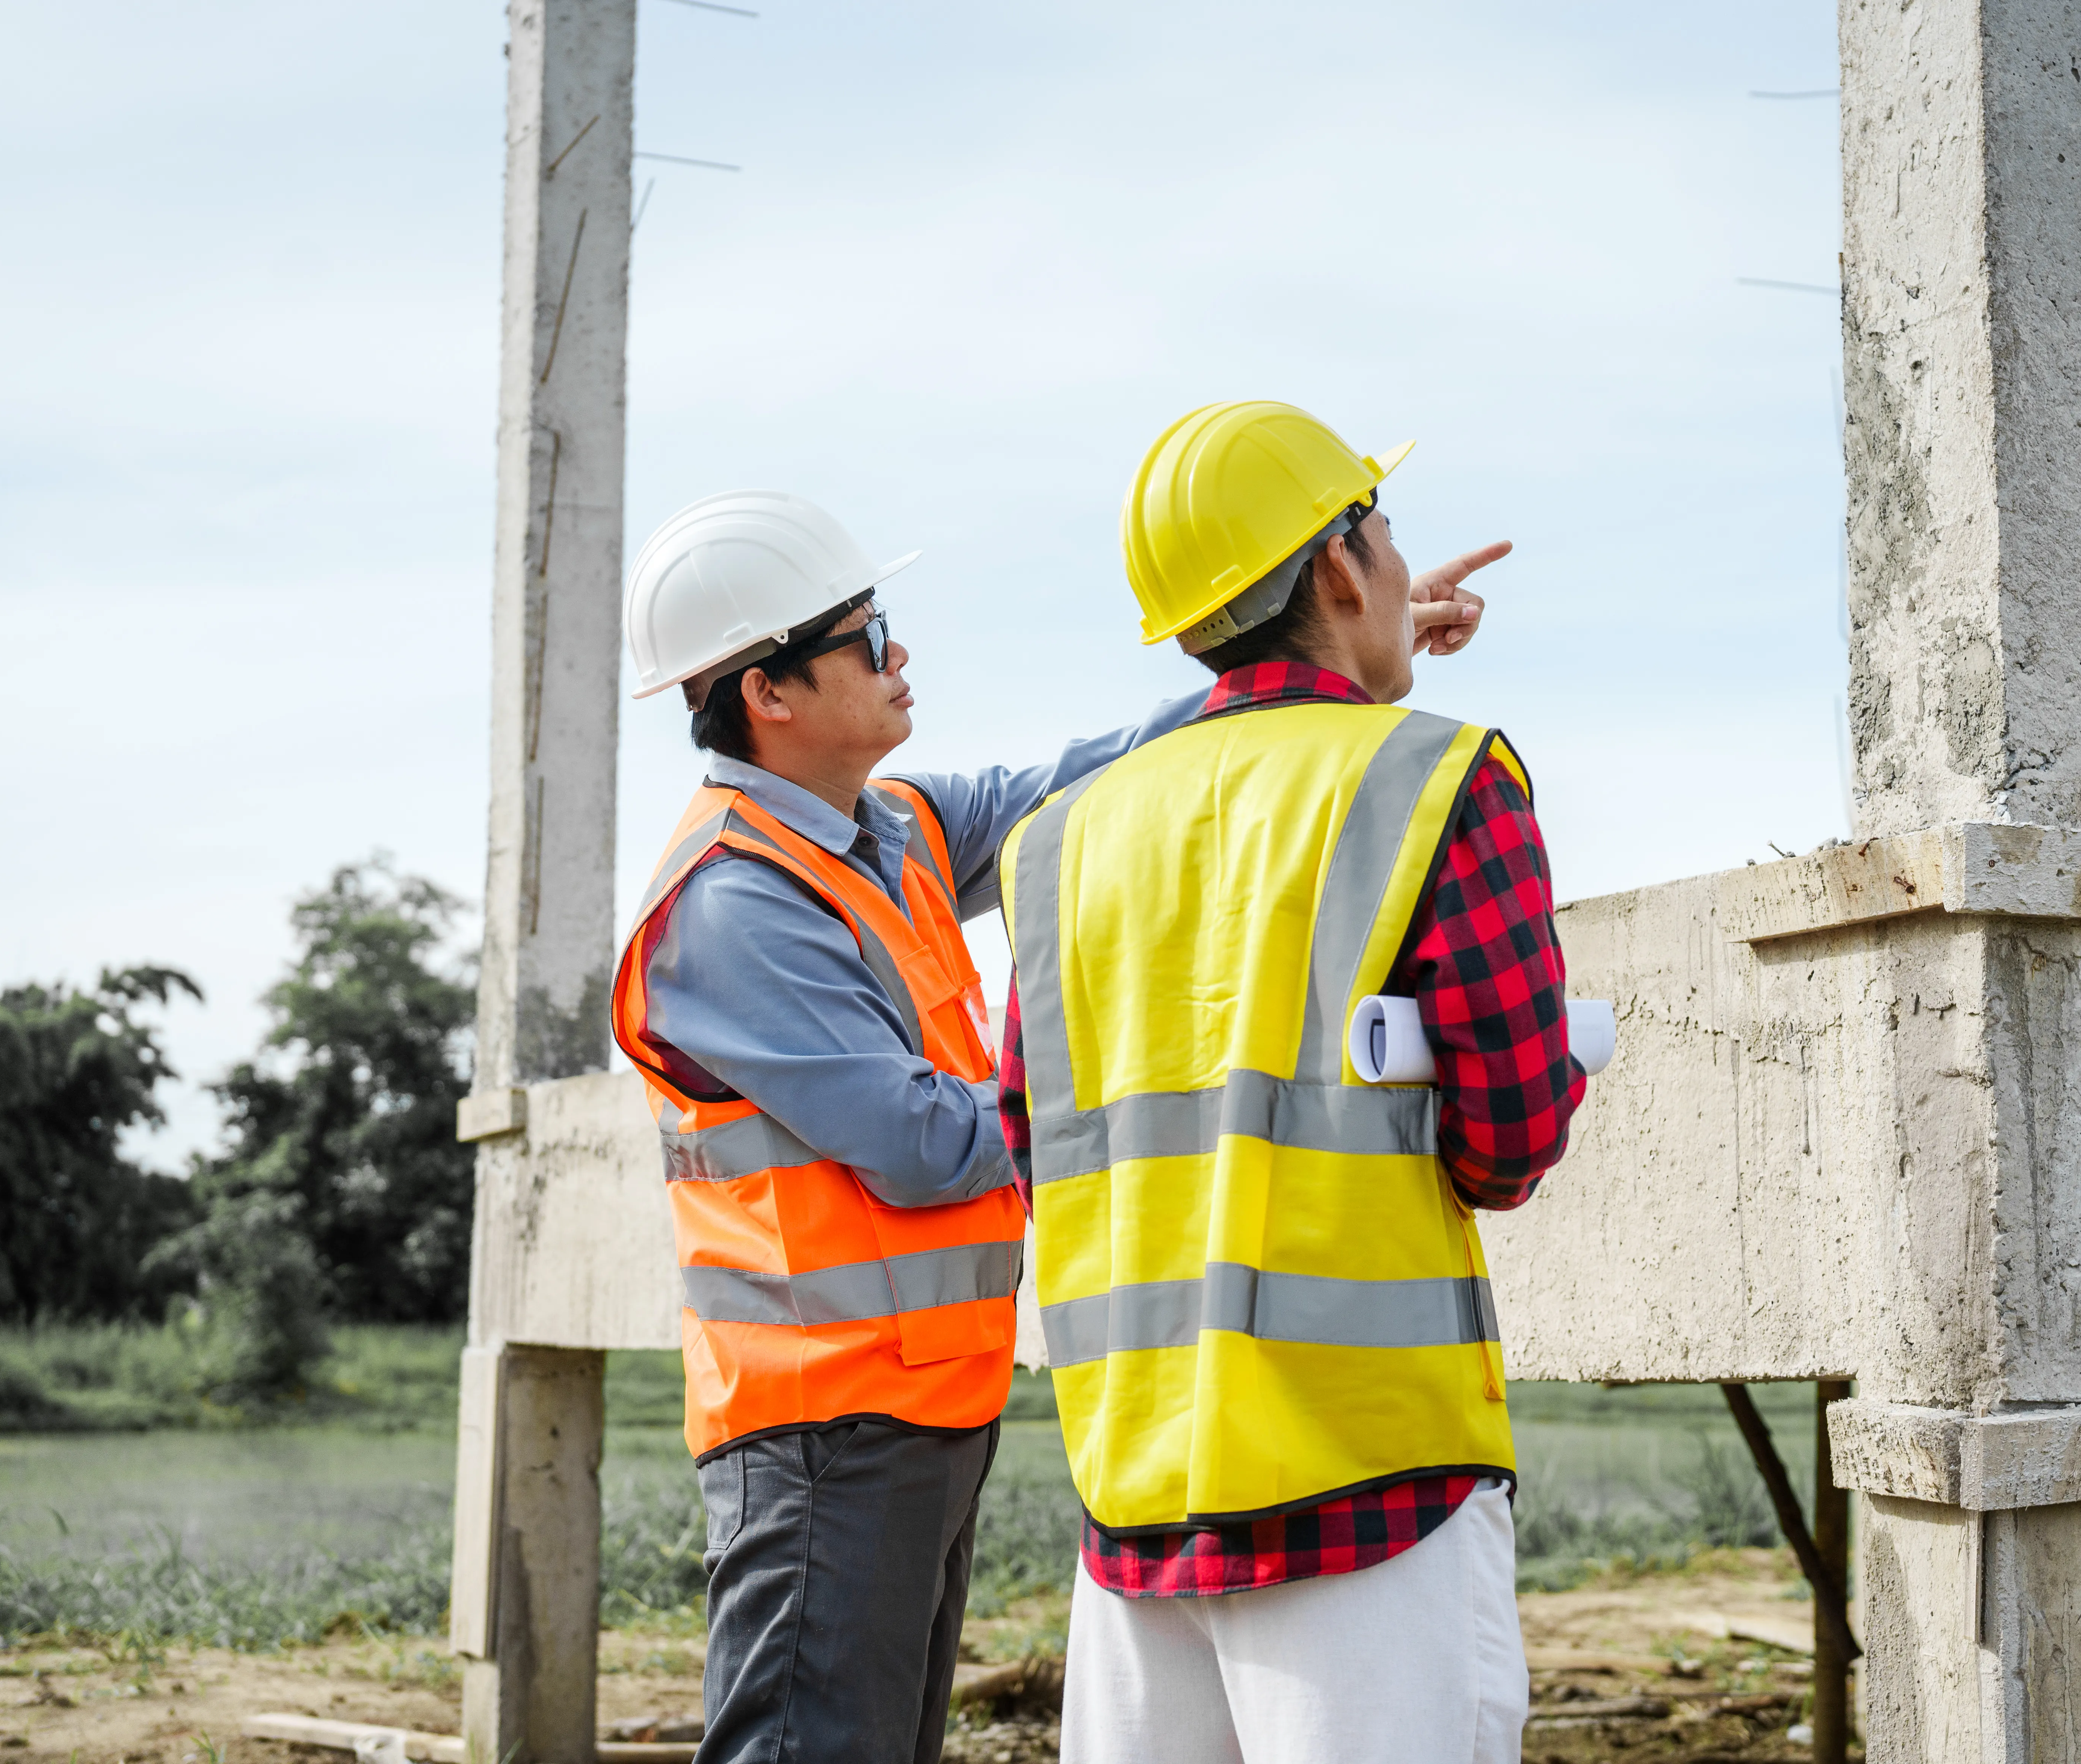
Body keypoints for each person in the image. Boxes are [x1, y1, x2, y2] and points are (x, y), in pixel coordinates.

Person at [606, 486, 1498, 1764]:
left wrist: (1324, 656)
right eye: (869, 637)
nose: (898, 653)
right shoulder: (732, 906)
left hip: (917, 1409)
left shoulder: (893, 830)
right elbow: (918, 1145)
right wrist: (1110, 1102)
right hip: (819, 1431)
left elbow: (1080, 778)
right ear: (772, 695)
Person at [997, 402, 1590, 1764]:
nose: (1397, 565)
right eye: (1382, 535)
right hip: (1367, 1495)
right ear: (1336, 568)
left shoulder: (1058, 845)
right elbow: (1512, 1139)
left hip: (1136, 1502)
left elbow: (1040, 1150)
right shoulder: (1441, 780)